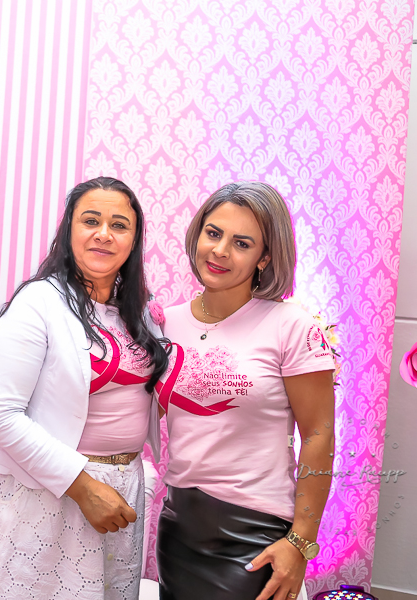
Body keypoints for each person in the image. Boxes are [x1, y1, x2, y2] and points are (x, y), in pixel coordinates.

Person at [0, 176, 170, 600]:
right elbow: (1, 415)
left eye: (119, 225)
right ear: (69, 229)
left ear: (134, 240)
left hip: (123, 493)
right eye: (90, 220)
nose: (103, 234)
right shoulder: (38, 303)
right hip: (51, 492)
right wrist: (84, 486)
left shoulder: (141, 314)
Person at [155, 182, 336, 600]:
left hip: (255, 532)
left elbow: (319, 435)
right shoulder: (165, 324)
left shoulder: (291, 326)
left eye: (242, 243)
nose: (220, 251)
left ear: (264, 257)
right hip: (178, 527)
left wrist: (300, 542)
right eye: (213, 233)